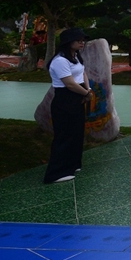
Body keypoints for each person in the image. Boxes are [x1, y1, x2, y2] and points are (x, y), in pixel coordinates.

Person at [43, 28, 92, 184]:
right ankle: (55, 173)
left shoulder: (75, 56)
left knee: (76, 133)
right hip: (65, 99)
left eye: (83, 40)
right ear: (68, 42)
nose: (82, 42)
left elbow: (82, 73)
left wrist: (88, 89)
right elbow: (69, 84)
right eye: (78, 40)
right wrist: (86, 93)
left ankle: (72, 164)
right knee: (64, 135)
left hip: (78, 96)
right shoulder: (60, 60)